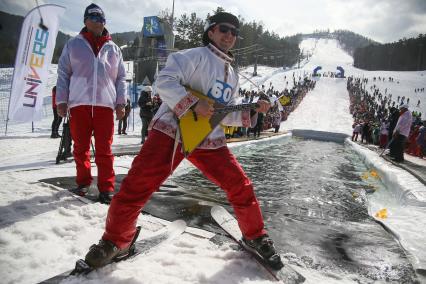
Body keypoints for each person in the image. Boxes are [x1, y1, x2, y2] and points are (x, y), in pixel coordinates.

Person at [84, 11, 283, 270]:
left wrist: (253, 110)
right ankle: (116, 241)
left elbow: (224, 114)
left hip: (207, 138)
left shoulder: (232, 74)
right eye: (224, 29)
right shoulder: (192, 56)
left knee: (240, 185)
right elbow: (163, 83)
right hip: (171, 130)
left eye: (234, 33)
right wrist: (192, 103)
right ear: (211, 31)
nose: (229, 36)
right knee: (137, 184)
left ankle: (255, 236)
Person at [56, 3, 127, 204]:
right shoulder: (73, 44)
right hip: (79, 104)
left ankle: (106, 188)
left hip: (105, 105)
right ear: (86, 20)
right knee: (80, 147)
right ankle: (83, 183)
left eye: (101, 18)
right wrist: (61, 100)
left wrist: (121, 102)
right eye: (94, 18)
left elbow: (121, 77)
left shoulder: (113, 48)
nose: (98, 22)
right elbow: (63, 73)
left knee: (105, 149)